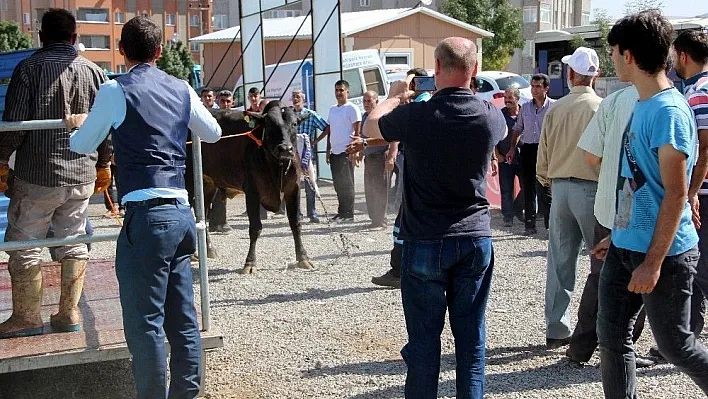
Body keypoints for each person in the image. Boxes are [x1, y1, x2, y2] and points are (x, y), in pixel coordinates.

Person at [66, 16, 222, 398]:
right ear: (159, 51)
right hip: (182, 214)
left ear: (121, 52)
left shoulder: (115, 89)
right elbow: (214, 133)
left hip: (146, 215)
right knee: (183, 319)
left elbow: (82, 144)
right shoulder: (182, 87)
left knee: (145, 322)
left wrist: (78, 122)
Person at [363, 37, 506, 398]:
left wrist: (395, 94)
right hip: (474, 236)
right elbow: (500, 139)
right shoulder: (489, 115)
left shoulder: (417, 115)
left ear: (437, 69)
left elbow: (370, 127)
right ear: (474, 70)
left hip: (425, 238)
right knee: (471, 346)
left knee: (424, 349)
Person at [596, 10, 708, 396]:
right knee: (611, 338)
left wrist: (653, 262)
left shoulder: (669, 111)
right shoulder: (642, 103)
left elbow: (676, 194)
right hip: (626, 246)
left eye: (612, 51)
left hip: (665, 256)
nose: (611, 58)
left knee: (678, 346)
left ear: (627, 55)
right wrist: (619, 232)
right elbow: (635, 181)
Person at [0, 8, 111, 339]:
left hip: (38, 175)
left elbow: (14, 127)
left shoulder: (28, 69)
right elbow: (106, 126)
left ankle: (27, 318)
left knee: (24, 243)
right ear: (75, 38)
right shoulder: (95, 72)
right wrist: (104, 163)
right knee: (74, 239)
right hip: (82, 174)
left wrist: (1, 161)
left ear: (41, 36)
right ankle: (69, 312)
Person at [569, 84, 653, 368]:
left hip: (608, 206)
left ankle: (580, 347)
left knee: (599, 279)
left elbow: (591, 155)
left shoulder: (613, 101)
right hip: (642, 213)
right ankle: (622, 349)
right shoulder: (668, 102)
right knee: (638, 283)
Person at [537, 47, 603, 350]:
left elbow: (543, 156)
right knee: (601, 261)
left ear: (570, 74)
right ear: (595, 75)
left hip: (560, 187)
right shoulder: (602, 108)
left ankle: (556, 327)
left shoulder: (556, 108)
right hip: (592, 188)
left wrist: (549, 181)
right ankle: (599, 328)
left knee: (560, 261)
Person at [671, 28, 708, 351]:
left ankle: (687, 337)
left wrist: (691, 192)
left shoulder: (697, 93)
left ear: (683, 55)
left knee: (698, 271)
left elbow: (704, 148)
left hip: (704, 193)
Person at [507, 74, 555, 235]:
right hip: (528, 149)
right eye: (533, 86)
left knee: (546, 188)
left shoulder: (553, 107)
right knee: (528, 188)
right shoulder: (525, 107)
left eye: (538, 86)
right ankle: (529, 224)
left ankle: (550, 224)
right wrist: (512, 148)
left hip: (546, 150)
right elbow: (517, 129)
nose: (534, 90)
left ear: (546, 88)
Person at [359, 90, 396, 229]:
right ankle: (374, 219)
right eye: (365, 101)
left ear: (376, 102)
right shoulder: (364, 117)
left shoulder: (382, 117)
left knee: (381, 188)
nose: (366, 104)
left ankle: (381, 220)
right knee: (370, 188)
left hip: (381, 155)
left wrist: (391, 156)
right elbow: (362, 136)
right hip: (369, 156)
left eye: (369, 101)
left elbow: (391, 138)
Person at [326, 80, 361, 222]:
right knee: (338, 184)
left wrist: (355, 151)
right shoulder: (332, 109)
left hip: (346, 152)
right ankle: (341, 212)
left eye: (341, 90)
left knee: (347, 184)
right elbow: (330, 131)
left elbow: (357, 132)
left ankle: (348, 214)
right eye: (337, 90)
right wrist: (328, 150)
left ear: (347, 92)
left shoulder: (352, 108)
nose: (338, 93)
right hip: (335, 152)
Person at [291, 90, 328, 223]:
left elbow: (326, 127)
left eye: (298, 97)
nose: (295, 99)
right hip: (292, 155)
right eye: (294, 97)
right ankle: (297, 213)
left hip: (306, 154)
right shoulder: (289, 115)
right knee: (294, 185)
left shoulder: (310, 115)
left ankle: (312, 213)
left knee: (310, 183)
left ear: (304, 100)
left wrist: (315, 142)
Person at [496, 87, 524, 227]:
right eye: (505, 98)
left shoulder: (525, 113)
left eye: (510, 98)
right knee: (506, 189)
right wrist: (497, 155)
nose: (507, 101)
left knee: (528, 187)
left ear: (517, 99)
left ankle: (517, 208)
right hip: (504, 158)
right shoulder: (499, 115)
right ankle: (508, 217)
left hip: (523, 158)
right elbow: (493, 136)